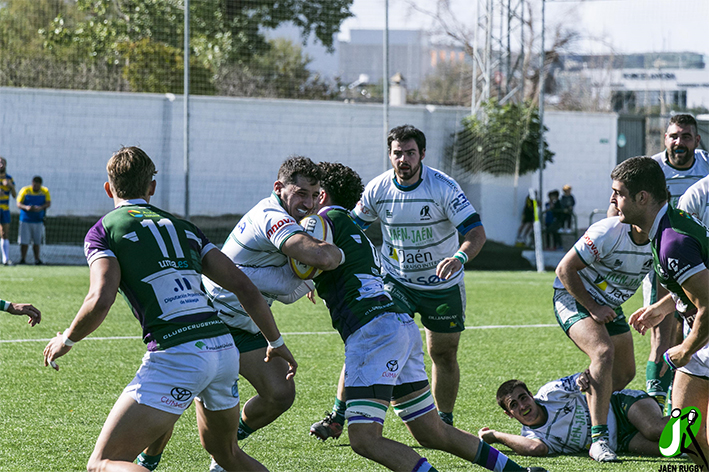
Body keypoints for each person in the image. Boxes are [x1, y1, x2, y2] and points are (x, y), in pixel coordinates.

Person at [43, 146, 298, 472]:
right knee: (228, 455)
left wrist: (67, 339)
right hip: (222, 349)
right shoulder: (185, 228)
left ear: (109, 188)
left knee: (103, 463)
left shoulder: (105, 230)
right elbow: (245, 286)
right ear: (151, 187)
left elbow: (99, 300)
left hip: (178, 352)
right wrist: (276, 343)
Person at [310, 161, 545, 472]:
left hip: (373, 332)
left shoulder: (322, 220)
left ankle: (338, 416)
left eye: (311, 193)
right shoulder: (354, 227)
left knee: (364, 439)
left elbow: (305, 258)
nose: (307, 201)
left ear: (323, 194)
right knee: (431, 431)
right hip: (399, 326)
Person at [139, 156, 344, 472]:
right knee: (174, 397)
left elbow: (288, 284)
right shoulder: (271, 216)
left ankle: (226, 449)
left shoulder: (292, 216)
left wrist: (304, 277)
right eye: (301, 193)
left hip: (243, 323)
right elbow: (314, 258)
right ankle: (146, 463)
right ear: (279, 188)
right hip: (210, 318)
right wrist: (338, 253)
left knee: (280, 393)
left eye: (314, 195)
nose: (308, 202)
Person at [311, 125, 486, 439]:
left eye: (410, 153)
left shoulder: (443, 187)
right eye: (397, 153)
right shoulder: (378, 189)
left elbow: (476, 233)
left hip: (442, 286)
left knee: (444, 354)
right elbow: (347, 231)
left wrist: (458, 258)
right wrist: (314, 273)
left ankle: (443, 423)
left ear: (422, 154)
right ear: (389, 154)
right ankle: (338, 416)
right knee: (365, 340)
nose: (403, 159)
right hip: (396, 282)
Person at [606, 155, 709, 468]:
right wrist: (663, 308)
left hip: (702, 341)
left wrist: (685, 349)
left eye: (618, 193)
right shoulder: (666, 226)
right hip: (702, 343)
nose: (612, 200)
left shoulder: (671, 242)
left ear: (642, 197)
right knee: (684, 437)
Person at [552, 199, 653, 462]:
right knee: (603, 352)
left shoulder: (662, 236)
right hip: (574, 296)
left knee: (624, 373)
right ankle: (599, 439)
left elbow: (666, 283)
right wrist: (593, 306)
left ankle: (577, 390)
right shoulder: (607, 230)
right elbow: (564, 269)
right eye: (612, 195)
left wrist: (657, 309)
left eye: (619, 194)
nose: (614, 202)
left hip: (609, 303)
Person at [645, 114, 709, 410]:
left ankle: (681, 386)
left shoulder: (704, 171)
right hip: (669, 255)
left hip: (696, 260)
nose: (679, 142)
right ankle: (658, 388)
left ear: (697, 141)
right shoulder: (653, 170)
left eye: (685, 137)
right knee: (665, 324)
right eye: (673, 136)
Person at [479, 370, 668, 457]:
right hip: (621, 441)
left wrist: (580, 380)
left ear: (531, 395)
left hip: (619, 406)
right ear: (509, 414)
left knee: (654, 429)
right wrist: (495, 436)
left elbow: (582, 378)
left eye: (523, 397)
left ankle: (693, 412)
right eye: (514, 405)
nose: (522, 405)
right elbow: (535, 449)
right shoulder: (531, 436)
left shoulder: (550, 393)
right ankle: (695, 430)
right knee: (670, 449)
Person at [17, 176, 51, 265]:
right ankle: (23, 259)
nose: (35, 187)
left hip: (38, 220)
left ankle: (37, 259)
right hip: (25, 219)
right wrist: (26, 207)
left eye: (37, 185)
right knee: (24, 241)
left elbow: (48, 203)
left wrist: (40, 208)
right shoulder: (25, 190)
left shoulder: (45, 191)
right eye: (34, 184)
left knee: (37, 241)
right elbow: (18, 203)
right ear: (32, 183)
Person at [0, 156, 17, 265]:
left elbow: (15, 196)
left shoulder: (9, 178)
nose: (1, 165)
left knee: (5, 233)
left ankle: (5, 259)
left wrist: (11, 186)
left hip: (5, 209)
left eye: (3, 163)